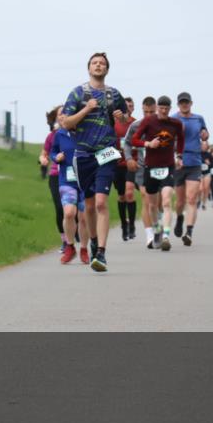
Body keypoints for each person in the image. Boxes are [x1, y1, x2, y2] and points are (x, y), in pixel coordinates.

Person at [61, 52, 128, 272]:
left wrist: (121, 118)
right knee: (89, 206)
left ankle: (101, 252)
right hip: (83, 154)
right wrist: (87, 108)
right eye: (94, 63)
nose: (98, 66)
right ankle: (91, 241)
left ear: (107, 69)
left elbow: (125, 121)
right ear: (89, 68)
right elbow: (66, 123)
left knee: (101, 202)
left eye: (102, 63)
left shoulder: (114, 94)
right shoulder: (77, 93)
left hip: (107, 152)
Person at [131, 96, 185, 252]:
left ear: (169, 109)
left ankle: (166, 236)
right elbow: (134, 140)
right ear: (157, 108)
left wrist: (179, 156)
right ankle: (156, 230)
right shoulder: (149, 121)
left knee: (167, 201)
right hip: (151, 167)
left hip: (168, 167)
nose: (163, 111)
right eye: (161, 108)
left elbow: (181, 139)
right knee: (152, 204)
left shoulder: (176, 123)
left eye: (166, 108)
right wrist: (148, 143)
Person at [51, 113, 90, 264]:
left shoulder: (86, 131)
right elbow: (53, 152)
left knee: (84, 217)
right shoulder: (59, 134)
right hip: (67, 180)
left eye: (67, 116)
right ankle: (70, 246)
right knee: (68, 213)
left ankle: (84, 250)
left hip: (86, 180)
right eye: (61, 117)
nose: (63, 119)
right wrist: (56, 157)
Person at [171, 92, 209, 247]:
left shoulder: (198, 118)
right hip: (179, 162)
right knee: (180, 201)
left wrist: (205, 136)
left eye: (186, 102)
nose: (184, 105)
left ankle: (189, 232)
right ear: (178, 104)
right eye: (181, 102)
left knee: (192, 198)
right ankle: (179, 218)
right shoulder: (173, 119)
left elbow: (205, 135)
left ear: (191, 103)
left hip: (194, 161)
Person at [124, 96, 157, 247]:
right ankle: (149, 235)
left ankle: (159, 226)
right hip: (142, 167)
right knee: (145, 197)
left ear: (156, 109)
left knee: (158, 202)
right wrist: (129, 158)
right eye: (146, 112)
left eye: (151, 112)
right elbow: (127, 144)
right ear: (142, 110)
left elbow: (174, 143)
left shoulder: (164, 124)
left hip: (160, 166)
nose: (148, 115)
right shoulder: (136, 125)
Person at [39, 107, 66, 252]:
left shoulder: (76, 133)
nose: (63, 117)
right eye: (60, 114)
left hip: (72, 175)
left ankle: (75, 233)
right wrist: (43, 159)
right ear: (56, 118)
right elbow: (43, 154)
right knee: (60, 208)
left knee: (73, 210)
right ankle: (65, 241)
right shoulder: (52, 136)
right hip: (55, 176)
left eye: (65, 113)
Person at [113, 97, 137, 241]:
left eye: (131, 106)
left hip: (130, 163)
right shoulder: (114, 124)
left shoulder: (135, 123)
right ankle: (124, 225)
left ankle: (132, 225)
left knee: (129, 193)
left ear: (133, 108)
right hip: (117, 165)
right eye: (126, 105)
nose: (128, 108)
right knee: (121, 196)